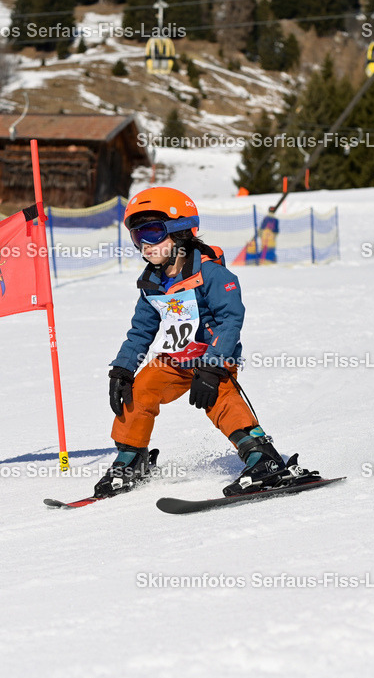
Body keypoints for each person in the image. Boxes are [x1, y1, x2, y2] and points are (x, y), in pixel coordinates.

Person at [98, 187, 319, 499]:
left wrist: (213, 366)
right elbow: (140, 331)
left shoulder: (211, 273)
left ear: (180, 232)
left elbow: (231, 318)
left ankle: (262, 456)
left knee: (220, 398)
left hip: (213, 356)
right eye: (137, 236)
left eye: (152, 232)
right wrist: (121, 369)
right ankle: (131, 458)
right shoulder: (152, 283)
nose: (145, 245)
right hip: (176, 358)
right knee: (140, 388)